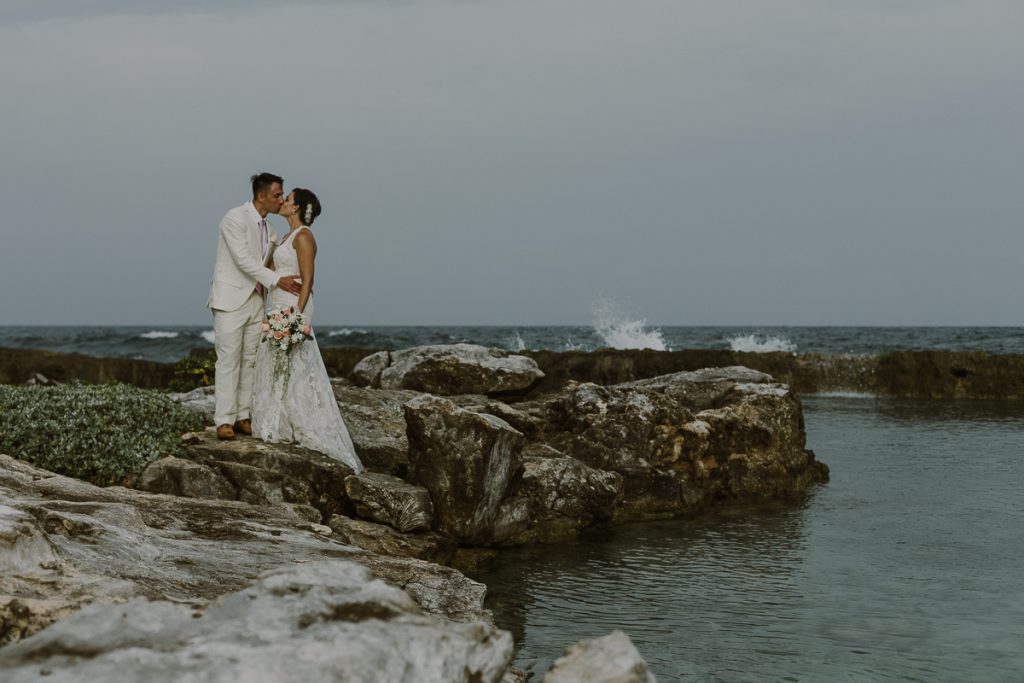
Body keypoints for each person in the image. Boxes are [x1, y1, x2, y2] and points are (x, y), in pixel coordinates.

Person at [251, 188, 364, 471]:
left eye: (287, 199)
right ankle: (277, 421)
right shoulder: (284, 237)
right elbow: (269, 271)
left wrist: (297, 316)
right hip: (277, 303)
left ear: (296, 207)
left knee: (297, 364)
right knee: (275, 362)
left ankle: (304, 421)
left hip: (293, 306)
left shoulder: (303, 236)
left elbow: (308, 278)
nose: (282, 202)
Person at [207, 173, 302, 441]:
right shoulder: (234, 218)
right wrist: (277, 280)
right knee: (228, 359)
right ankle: (223, 420)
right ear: (261, 196)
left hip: (256, 300)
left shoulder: (271, 231)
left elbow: (268, 262)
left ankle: (242, 416)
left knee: (250, 360)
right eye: (277, 195)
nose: (280, 200)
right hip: (230, 300)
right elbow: (243, 261)